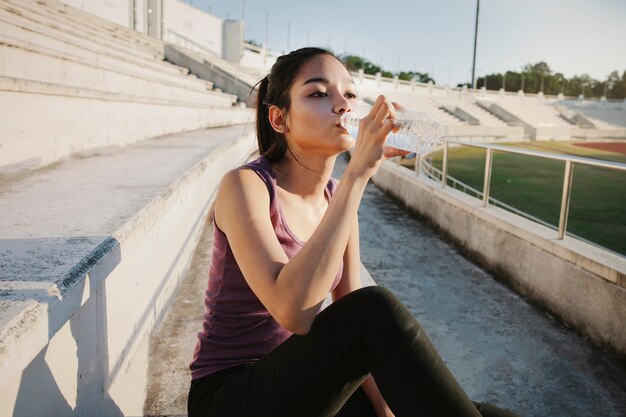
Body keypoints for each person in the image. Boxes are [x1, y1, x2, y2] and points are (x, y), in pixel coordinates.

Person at [188, 47, 519, 417]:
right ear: (280, 119)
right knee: (375, 308)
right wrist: (358, 173)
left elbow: (356, 328)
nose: (343, 105)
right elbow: (294, 312)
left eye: (349, 93)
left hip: (303, 383)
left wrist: (385, 410)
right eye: (318, 93)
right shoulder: (246, 186)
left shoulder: (335, 199)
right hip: (232, 395)